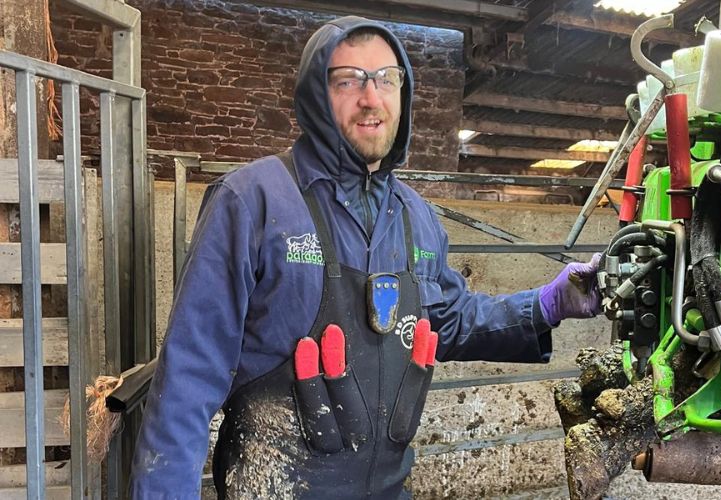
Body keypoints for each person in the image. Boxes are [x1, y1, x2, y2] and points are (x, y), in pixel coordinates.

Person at [130, 15, 601, 499]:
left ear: (404, 92)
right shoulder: (252, 201)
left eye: (386, 79)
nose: (370, 98)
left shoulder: (416, 218)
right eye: (348, 80)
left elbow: (448, 319)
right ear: (316, 93)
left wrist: (547, 304)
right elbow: (188, 380)